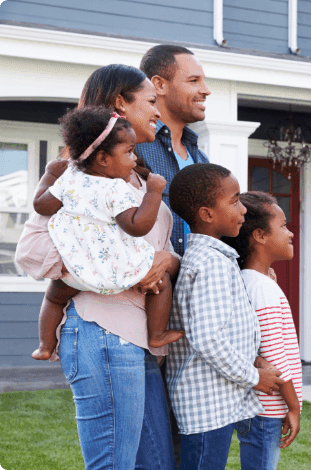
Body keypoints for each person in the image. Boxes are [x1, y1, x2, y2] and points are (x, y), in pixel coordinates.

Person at [15, 64, 179, 470]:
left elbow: (158, 250)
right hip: (103, 335)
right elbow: (33, 254)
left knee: (156, 465)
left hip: (136, 341)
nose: (159, 111)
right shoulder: (79, 175)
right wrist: (119, 271)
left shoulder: (133, 177)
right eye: (151, 102)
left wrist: (165, 261)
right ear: (121, 104)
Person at [31, 106, 184, 361]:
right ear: (103, 159)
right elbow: (137, 225)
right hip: (118, 269)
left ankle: (46, 345)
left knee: (54, 298)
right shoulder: (116, 188)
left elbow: (41, 205)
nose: (134, 159)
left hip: (77, 268)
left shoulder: (69, 180)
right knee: (161, 283)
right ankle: (157, 334)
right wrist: (154, 193)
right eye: (129, 152)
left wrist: (49, 174)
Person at [166, 163, 286, 470]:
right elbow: (207, 338)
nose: (243, 209)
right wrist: (254, 376)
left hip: (214, 402)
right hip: (207, 407)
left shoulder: (213, 258)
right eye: (234, 201)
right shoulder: (212, 264)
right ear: (207, 214)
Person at [224, 191, 303, 469]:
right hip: (266, 409)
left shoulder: (252, 282)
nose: (291, 233)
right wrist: (293, 407)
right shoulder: (261, 288)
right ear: (259, 235)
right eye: (283, 226)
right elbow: (274, 359)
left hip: (258, 407)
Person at [136, 44, 210, 257]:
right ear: (159, 85)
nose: (205, 90)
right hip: (147, 285)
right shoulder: (133, 147)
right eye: (194, 81)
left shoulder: (201, 160)